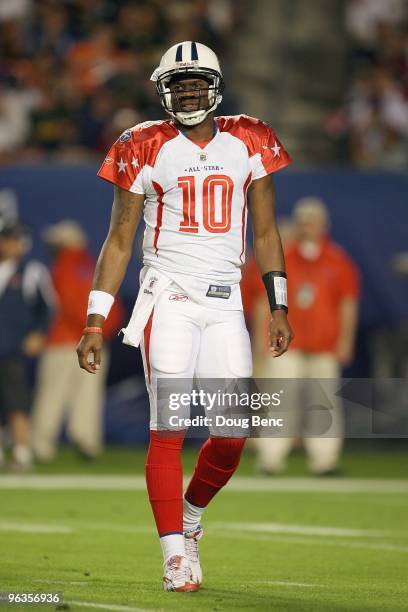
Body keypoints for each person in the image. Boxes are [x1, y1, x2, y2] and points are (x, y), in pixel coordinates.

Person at [76, 41, 293, 592]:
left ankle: (191, 515)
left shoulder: (251, 137)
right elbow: (119, 239)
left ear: (216, 86)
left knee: (234, 433)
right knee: (167, 430)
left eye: (196, 83)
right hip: (168, 297)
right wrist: (95, 320)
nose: (188, 92)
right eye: (179, 85)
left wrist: (279, 303)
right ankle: (174, 553)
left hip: (224, 304)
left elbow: (265, 231)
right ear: (164, 91)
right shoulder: (142, 143)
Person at [252, 197, 360, 475]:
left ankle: (325, 460)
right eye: (303, 221)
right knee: (280, 400)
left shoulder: (338, 260)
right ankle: (270, 459)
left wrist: (345, 340)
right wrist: (264, 338)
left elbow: (347, 304)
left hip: (324, 344)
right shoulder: (283, 257)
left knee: (323, 403)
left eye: (313, 221)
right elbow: (264, 301)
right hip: (288, 344)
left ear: (324, 225)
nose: (308, 226)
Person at [32, 220, 123, 462]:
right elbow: (113, 308)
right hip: (95, 340)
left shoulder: (62, 267)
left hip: (63, 341)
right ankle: (87, 443)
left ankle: (41, 446)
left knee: (52, 394)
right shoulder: (96, 265)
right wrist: (98, 331)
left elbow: (64, 303)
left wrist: (85, 331)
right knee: (87, 395)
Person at [0, 219, 54, 471]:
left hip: (13, 348)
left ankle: (22, 453)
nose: (14, 245)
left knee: (17, 400)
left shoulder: (32, 271)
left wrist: (38, 333)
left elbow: (48, 307)